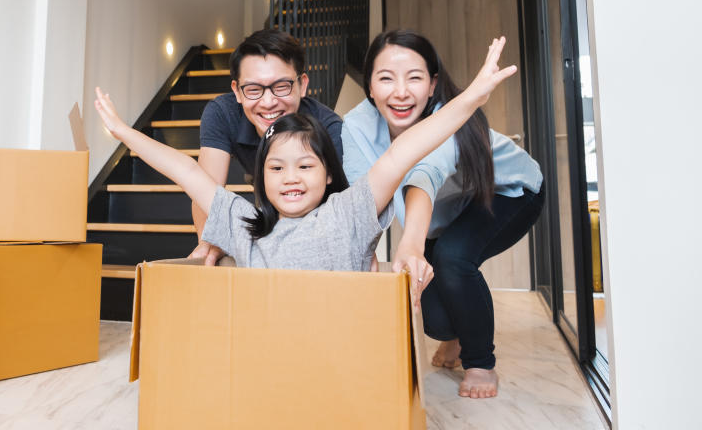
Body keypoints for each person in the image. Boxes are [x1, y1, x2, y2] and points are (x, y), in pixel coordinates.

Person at [94, 37, 516, 272]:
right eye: (276, 168)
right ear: (259, 180)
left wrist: (471, 101)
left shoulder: (348, 214)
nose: (291, 177)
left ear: (329, 175)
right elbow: (187, 171)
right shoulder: (244, 225)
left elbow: (404, 152)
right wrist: (124, 133)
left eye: (306, 165)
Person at [341, 30, 544, 400]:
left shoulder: (452, 116)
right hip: (444, 212)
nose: (400, 92)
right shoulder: (355, 126)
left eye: (414, 78)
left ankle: (480, 362)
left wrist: (413, 243)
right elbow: (363, 195)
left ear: (433, 84)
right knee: (436, 319)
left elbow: (425, 175)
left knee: (452, 258)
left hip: (510, 192)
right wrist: (367, 252)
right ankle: (455, 335)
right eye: (386, 78)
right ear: (369, 85)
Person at [189, 29, 343, 265]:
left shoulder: (328, 127)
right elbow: (206, 188)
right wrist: (207, 242)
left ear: (302, 85)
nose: (268, 102)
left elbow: (336, 208)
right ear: (237, 91)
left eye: (281, 86)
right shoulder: (223, 113)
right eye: (253, 89)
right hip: (265, 199)